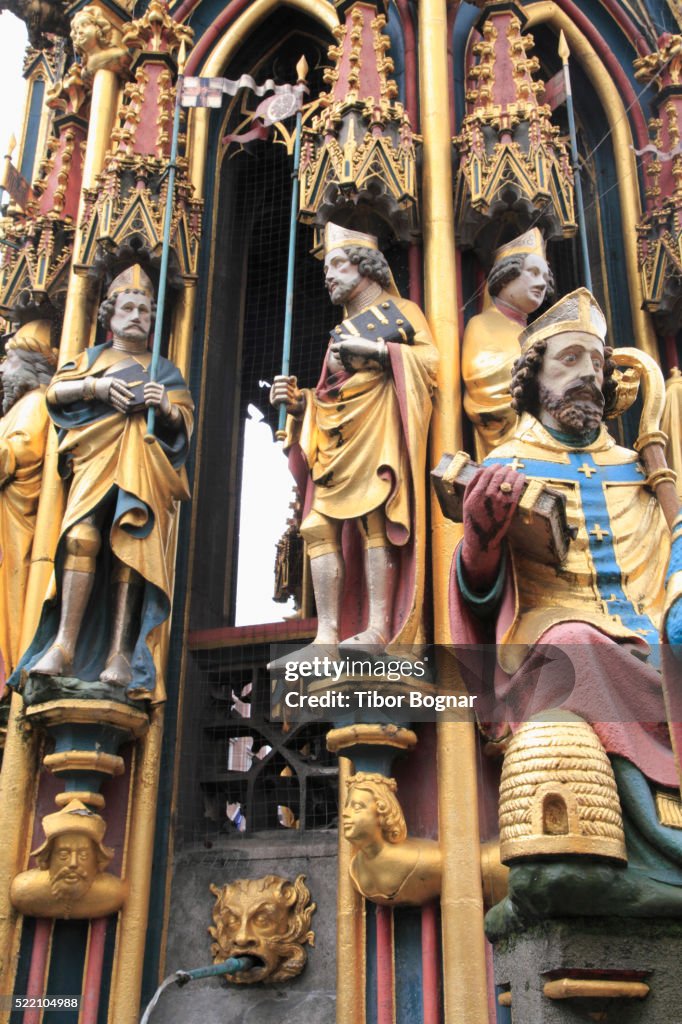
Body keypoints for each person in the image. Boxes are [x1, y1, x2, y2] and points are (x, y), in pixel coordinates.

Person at [450, 287, 682, 917]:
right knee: (573, 653)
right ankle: (650, 846)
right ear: (534, 378)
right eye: (570, 360)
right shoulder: (506, 467)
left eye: (598, 364)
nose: (588, 376)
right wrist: (481, 541)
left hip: (653, 644)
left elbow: (665, 570)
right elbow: (477, 597)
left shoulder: (641, 472)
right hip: (555, 640)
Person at [18, 265, 193, 697]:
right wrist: (95, 388)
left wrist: (166, 408)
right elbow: (56, 392)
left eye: (146, 311)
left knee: (130, 545)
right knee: (80, 537)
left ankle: (120, 651)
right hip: (94, 460)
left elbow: (184, 420)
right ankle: (64, 644)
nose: (136, 316)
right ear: (108, 315)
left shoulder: (163, 369)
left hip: (142, 466)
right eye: (128, 308)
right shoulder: (91, 359)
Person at [271, 223, 438, 660]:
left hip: (378, 425)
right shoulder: (340, 328)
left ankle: (379, 628)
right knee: (315, 525)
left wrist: (381, 353)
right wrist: (299, 402)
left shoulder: (401, 312)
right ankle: (326, 635)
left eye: (338, 265)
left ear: (368, 269)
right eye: (328, 267)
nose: (329, 275)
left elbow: (430, 362)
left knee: (374, 519)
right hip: (335, 433)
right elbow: (329, 392)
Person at [462, 228, 552, 458]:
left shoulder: (538, 333)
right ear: (504, 277)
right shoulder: (482, 324)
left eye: (545, 276)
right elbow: (485, 384)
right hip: (514, 445)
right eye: (532, 273)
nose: (541, 284)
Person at [0, 321, 57, 676]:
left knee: (10, 606)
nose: (2, 370)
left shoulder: (35, 403)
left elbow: (21, 451)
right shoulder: (14, 409)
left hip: (17, 528)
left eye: (7, 361)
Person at [10, 799, 126, 919]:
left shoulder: (111, 895)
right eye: (64, 855)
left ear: (97, 861)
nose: (73, 863)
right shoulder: (25, 891)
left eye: (83, 855)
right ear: (47, 859)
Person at [342, 772, 441, 905]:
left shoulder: (418, 860)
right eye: (346, 806)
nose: (344, 813)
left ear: (383, 814)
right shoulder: (355, 869)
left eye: (357, 807)